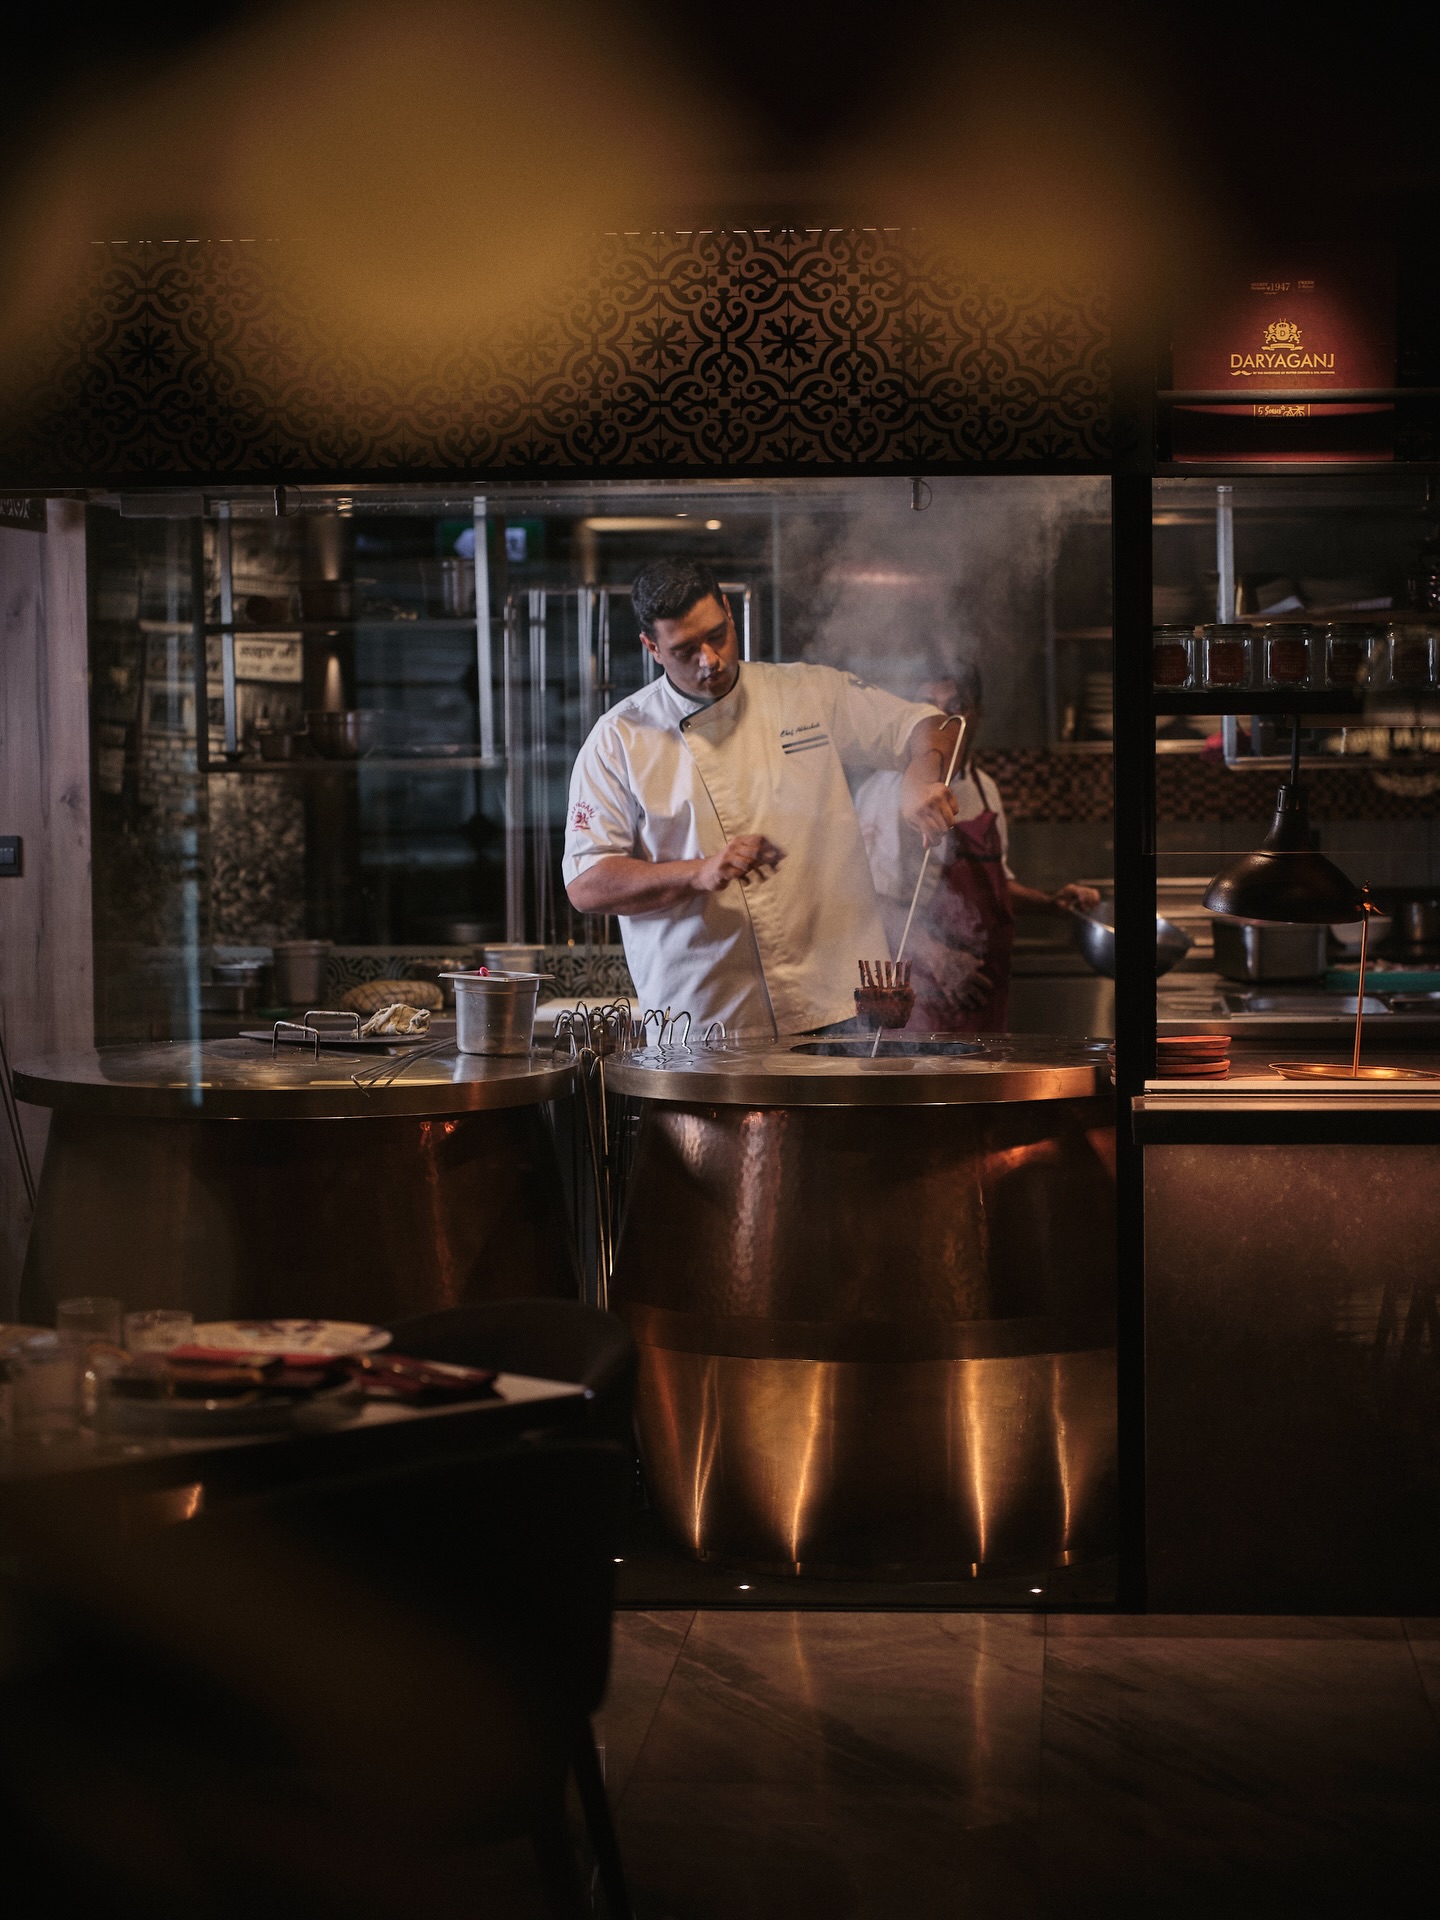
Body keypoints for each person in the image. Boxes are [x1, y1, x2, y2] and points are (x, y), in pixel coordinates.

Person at [562, 559, 960, 1036]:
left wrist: (920, 777)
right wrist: (699, 872)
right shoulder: (618, 739)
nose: (709, 659)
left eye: (717, 636)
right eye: (685, 650)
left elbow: (929, 725)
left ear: (729, 613)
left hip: (838, 1002)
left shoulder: (806, 693)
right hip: (708, 1018)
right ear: (652, 647)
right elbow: (587, 883)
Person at [854, 663, 1101, 1032]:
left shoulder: (984, 787)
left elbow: (993, 886)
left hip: (984, 1000)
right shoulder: (888, 791)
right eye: (928, 706)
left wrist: (1050, 904)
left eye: (956, 706)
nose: (943, 720)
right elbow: (870, 901)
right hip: (919, 1003)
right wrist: (941, 960)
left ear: (977, 715)